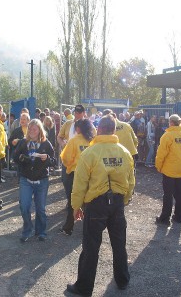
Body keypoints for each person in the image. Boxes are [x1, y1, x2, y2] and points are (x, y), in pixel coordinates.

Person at [67, 114, 135, 296]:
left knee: (91, 247)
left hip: (96, 205)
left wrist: (76, 206)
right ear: (114, 130)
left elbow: (79, 183)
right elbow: (131, 181)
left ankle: (84, 288)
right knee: (119, 244)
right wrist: (124, 199)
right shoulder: (124, 152)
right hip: (117, 203)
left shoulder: (90, 153)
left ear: (99, 129)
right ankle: (122, 280)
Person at [13, 119, 56, 242]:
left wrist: (46, 159)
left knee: (40, 208)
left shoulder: (46, 144)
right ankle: (27, 230)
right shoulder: (23, 142)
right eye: (30, 128)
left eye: (34, 129)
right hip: (26, 179)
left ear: (39, 130)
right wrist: (21, 158)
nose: (31, 131)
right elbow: (15, 158)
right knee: (24, 206)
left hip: (41, 180)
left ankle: (41, 231)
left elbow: (54, 161)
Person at [59, 118, 94, 236]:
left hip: (75, 175)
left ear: (78, 128)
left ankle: (68, 227)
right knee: (88, 201)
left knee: (73, 201)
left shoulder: (74, 141)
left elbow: (65, 158)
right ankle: (89, 228)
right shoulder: (93, 141)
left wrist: (69, 168)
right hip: (90, 175)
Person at [155, 114, 181, 225]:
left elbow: (161, 154)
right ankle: (179, 216)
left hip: (168, 170)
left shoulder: (167, 136)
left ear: (170, 123)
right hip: (180, 170)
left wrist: (158, 166)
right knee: (180, 194)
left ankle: (165, 218)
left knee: (168, 195)